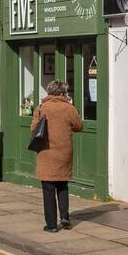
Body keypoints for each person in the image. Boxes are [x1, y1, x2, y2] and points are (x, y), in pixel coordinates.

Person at [31, 79, 83, 232]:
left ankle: (52, 225)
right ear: (62, 93)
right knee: (62, 185)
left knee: (48, 189)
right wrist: (72, 107)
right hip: (64, 153)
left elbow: (33, 128)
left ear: (49, 91)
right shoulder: (69, 108)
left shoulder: (42, 107)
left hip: (47, 153)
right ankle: (65, 216)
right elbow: (79, 126)